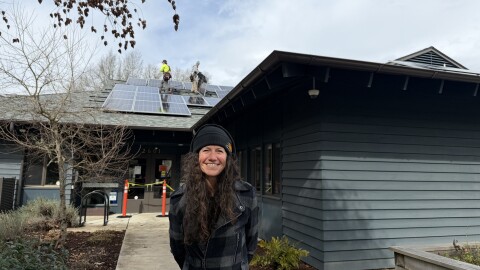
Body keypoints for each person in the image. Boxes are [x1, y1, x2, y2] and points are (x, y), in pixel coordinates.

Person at [169, 124, 259, 270]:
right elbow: (177, 248)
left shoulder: (247, 195)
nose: (213, 157)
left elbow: (251, 244)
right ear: (196, 157)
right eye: (206, 150)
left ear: (227, 158)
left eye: (219, 151)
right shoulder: (179, 199)